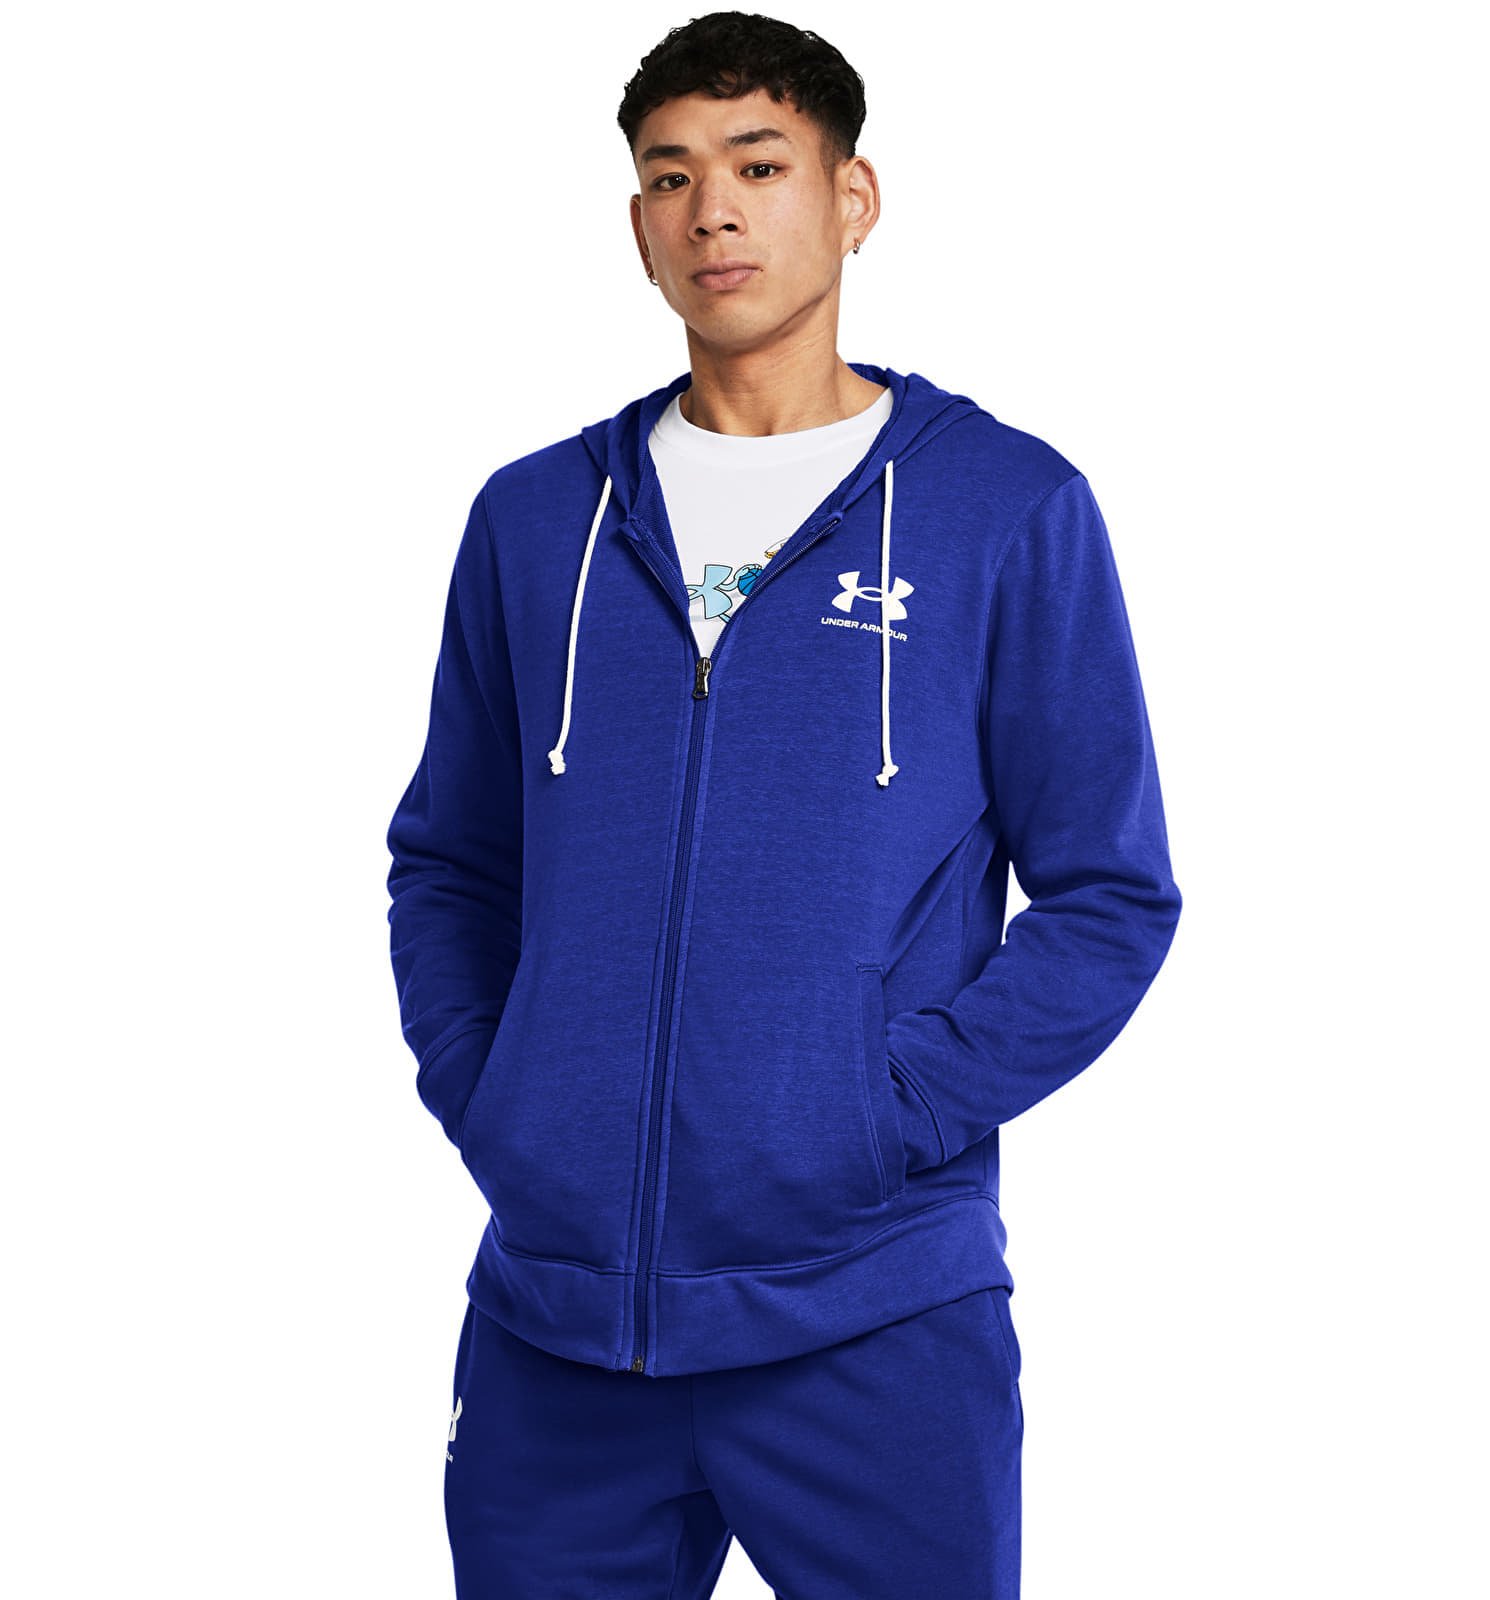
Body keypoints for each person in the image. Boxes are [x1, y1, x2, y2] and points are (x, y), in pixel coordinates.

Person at [385, 12, 1182, 1596]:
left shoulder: (1002, 506)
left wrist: (886, 1110)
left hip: (872, 1310)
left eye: (758, 167)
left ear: (852, 198)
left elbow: (1110, 893)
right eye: (670, 176)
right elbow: (451, 862)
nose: (713, 213)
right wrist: (502, 1100)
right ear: (637, 224)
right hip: (557, 1318)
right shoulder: (536, 518)